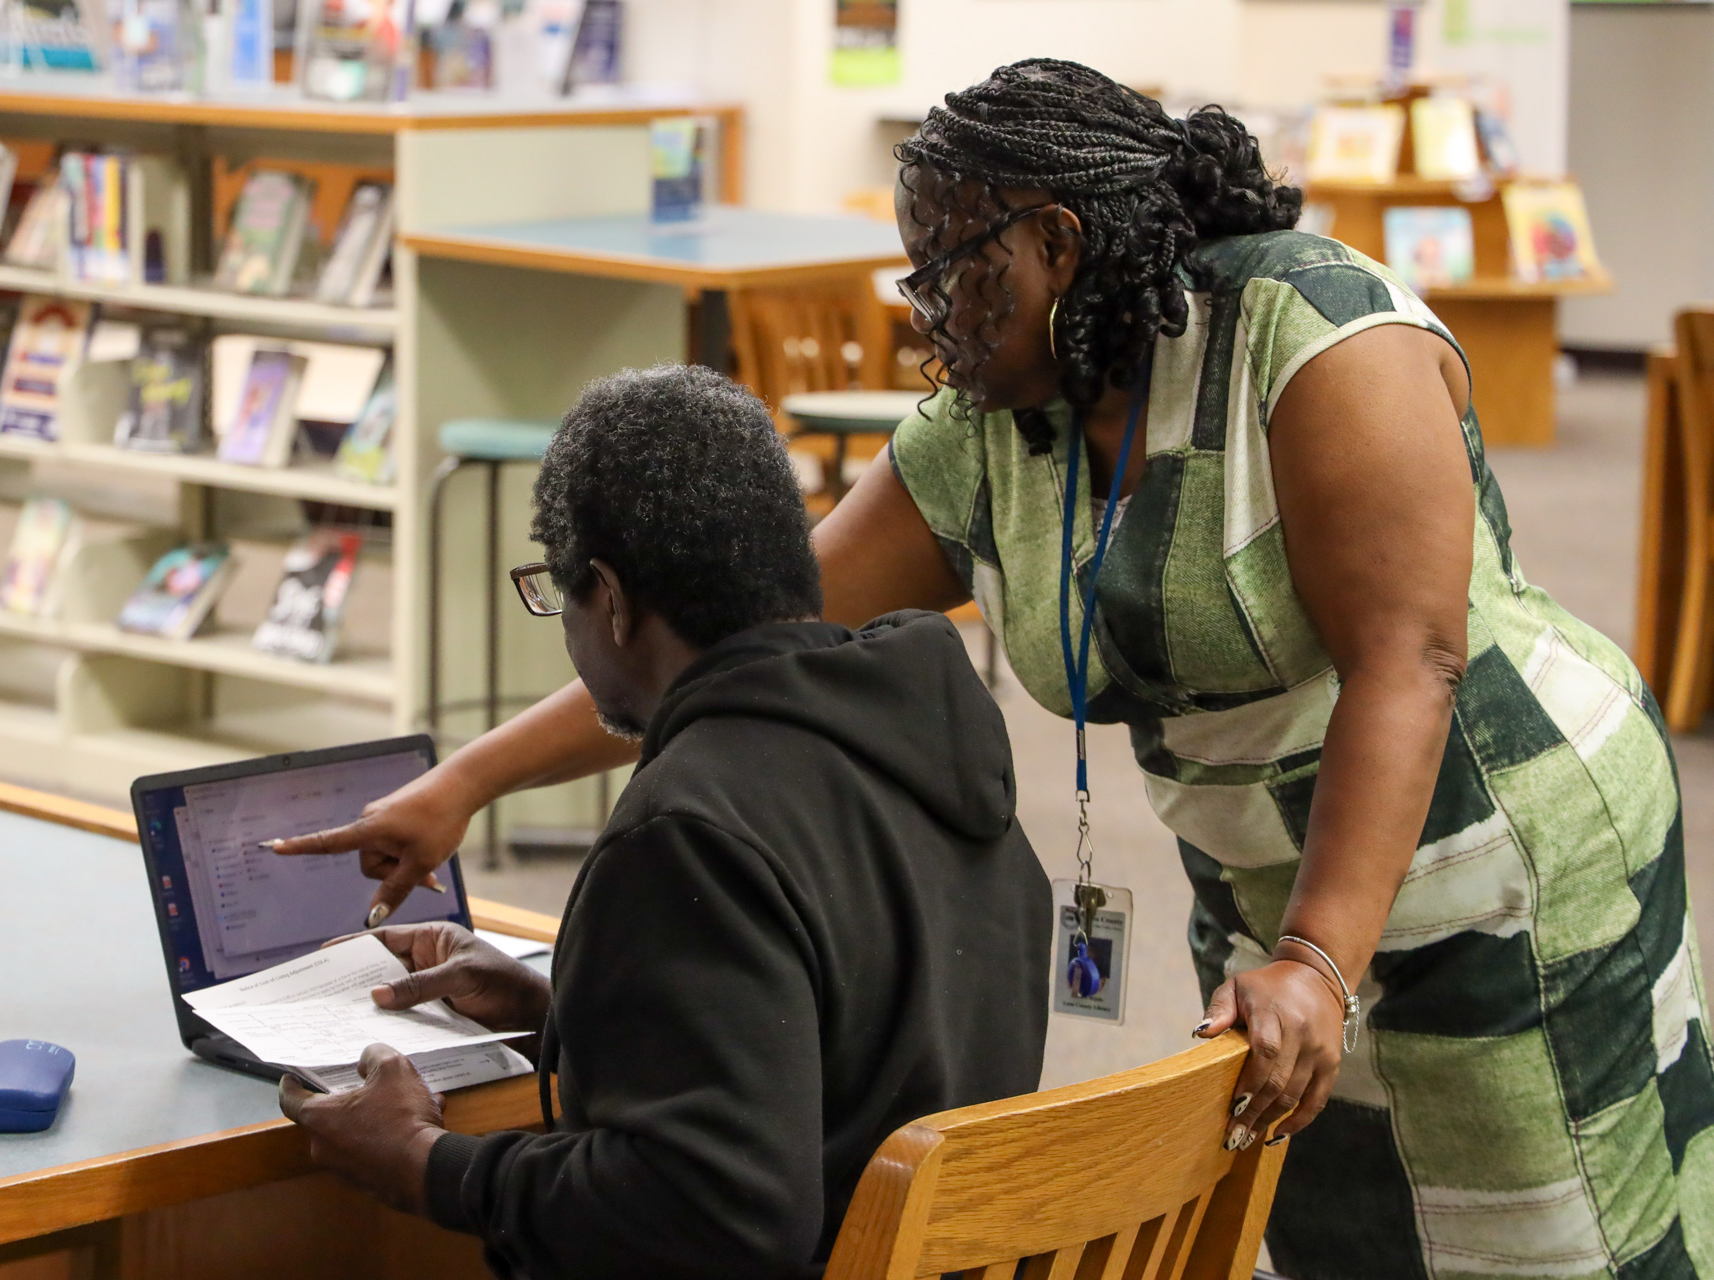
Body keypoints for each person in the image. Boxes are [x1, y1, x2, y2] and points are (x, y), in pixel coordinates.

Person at [275, 65, 1714, 1278]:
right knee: (1342, 1237)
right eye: (914, 271)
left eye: (953, 266)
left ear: (1059, 242)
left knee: (1554, 1229)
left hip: (1493, 843)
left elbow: (1415, 654)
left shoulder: (1307, 331)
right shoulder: (992, 431)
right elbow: (738, 625)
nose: (923, 309)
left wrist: (1323, 962)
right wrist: (465, 780)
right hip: (1273, 896)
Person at [278, 365, 1050, 1280]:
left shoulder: (687, 830)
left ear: (608, 596)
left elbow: (711, 1213)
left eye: (556, 593)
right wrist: (569, 1018)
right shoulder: (934, 748)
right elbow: (851, 1052)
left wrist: (423, 1161)